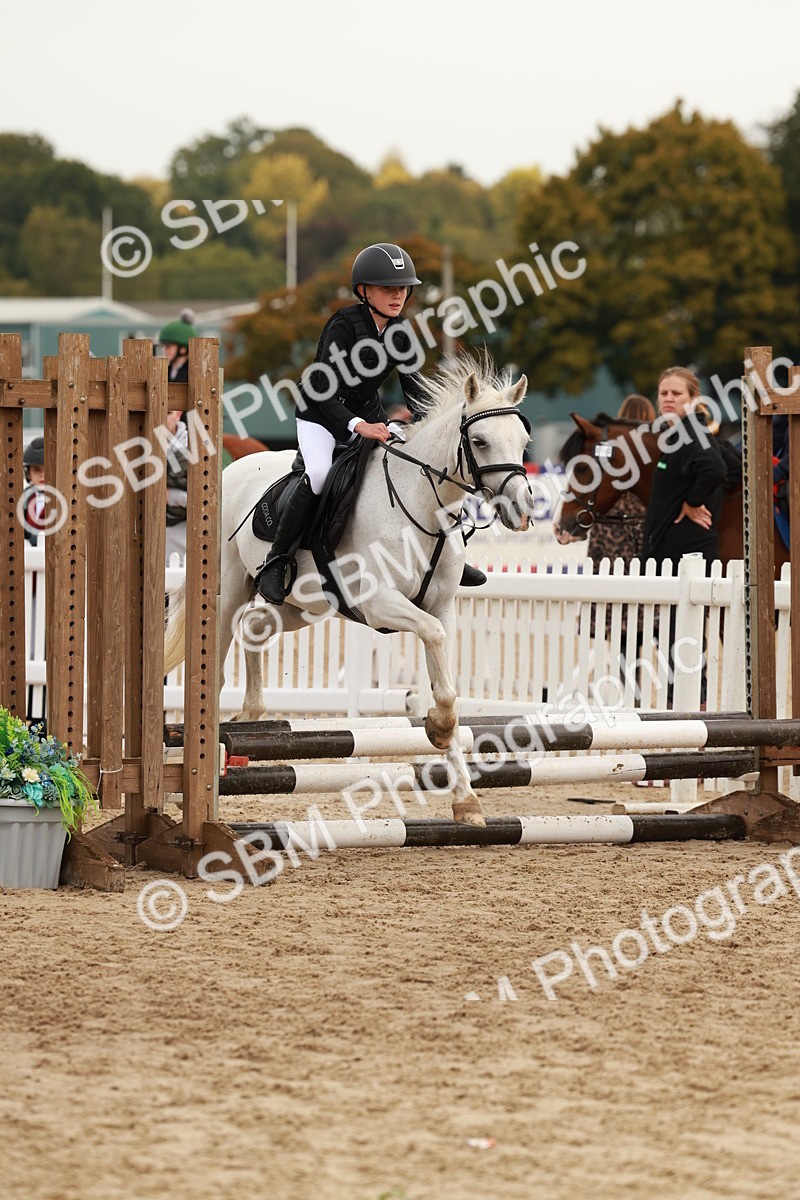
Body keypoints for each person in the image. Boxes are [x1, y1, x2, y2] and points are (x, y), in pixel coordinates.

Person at [254, 242, 486, 605]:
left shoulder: (401, 332)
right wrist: (357, 425)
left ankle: (447, 552)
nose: (398, 296)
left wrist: (434, 429)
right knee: (317, 474)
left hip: (369, 414)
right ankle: (276, 561)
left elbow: (415, 391)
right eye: (388, 288)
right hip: (319, 415)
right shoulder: (343, 326)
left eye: (403, 289)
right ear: (364, 291)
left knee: (427, 466)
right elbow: (320, 389)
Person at [641, 368, 727, 568]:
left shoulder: (693, 433)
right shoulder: (678, 434)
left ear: (694, 398)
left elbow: (715, 468)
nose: (668, 399)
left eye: (676, 393)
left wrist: (693, 501)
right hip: (670, 557)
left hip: (687, 558)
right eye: (663, 393)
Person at [588, 394, 656, 570]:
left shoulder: (609, 448)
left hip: (606, 529)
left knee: (604, 589)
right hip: (641, 529)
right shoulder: (653, 451)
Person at [164, 410, 189, 566]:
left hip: (183, 527)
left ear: (178, 414)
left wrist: (170, 496)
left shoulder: (193, 443)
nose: (163, 417)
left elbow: (203, 499)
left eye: (168, 412)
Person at [158, 309, 198, 383]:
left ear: (183, 349)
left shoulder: (194, 374)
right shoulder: (164, 372)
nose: (164, 350)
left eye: (168, 346)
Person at [20, 437, 47, 546]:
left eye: (46, 469)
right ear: (28, 473)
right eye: (36, 470)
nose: (42, 475)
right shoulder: (24, 498)